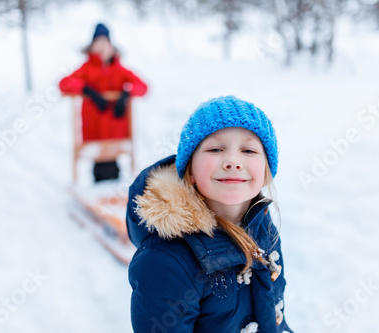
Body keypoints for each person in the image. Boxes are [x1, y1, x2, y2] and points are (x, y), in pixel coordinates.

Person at [126, 96, 293, 332]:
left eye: (248, 150)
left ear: (266, 171)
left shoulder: (263, 227)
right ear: (190, 171)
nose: (233, 161)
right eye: (215, 149)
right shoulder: (165, 262)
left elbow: (275, 315)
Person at [59, 23, 148, 182]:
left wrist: (127, 93)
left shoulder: (120, 70)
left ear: (111, 46)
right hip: (94, 131)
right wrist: (86, 90)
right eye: (97, 43)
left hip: (116, 131)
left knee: (113, 168)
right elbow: (63, 84)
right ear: (92, 47)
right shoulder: (85, 69)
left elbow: (143, 87)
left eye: (104, 43)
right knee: (99, 169)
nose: (101, 47)